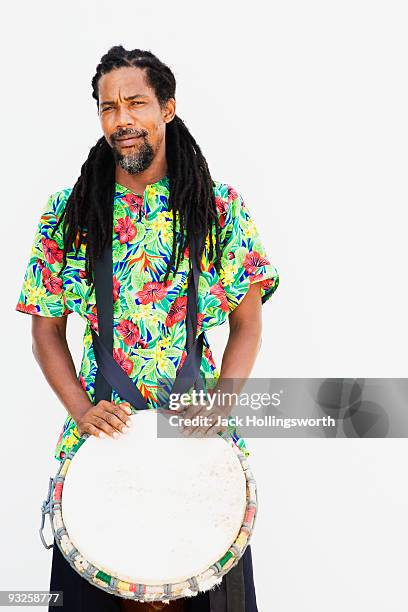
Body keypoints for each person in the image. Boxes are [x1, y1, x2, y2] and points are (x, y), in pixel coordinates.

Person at [15, 46, 280, 611]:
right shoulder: (69, 212)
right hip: (100, 447)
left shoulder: (218, 208)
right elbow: (45, 333)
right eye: (109, 108)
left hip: (200, 447)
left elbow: (248, 325)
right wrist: (83, 411)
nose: (123, 120)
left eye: (136, 103)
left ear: (169, 108)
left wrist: (219, 405)